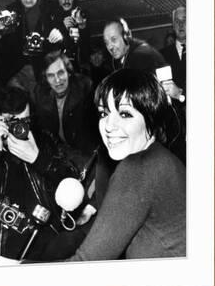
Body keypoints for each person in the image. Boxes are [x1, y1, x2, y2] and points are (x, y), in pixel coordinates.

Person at [0, 86, 90, 263]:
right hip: (3, 250)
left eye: (25, 121)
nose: (21, 128)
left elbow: (73, 185)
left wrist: (38, 158)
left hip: (45, 246)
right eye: (12, 122)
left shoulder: (44, 140)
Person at [68, 68, 186, 261]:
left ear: (151, 117)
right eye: (103, 113)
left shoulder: (138, 168)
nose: (108, 125)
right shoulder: (162, 158)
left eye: (124, 114)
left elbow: (86, 266)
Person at [32, 51, 98, 168]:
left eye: (61, 73)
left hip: (85, 155)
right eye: (51, 76)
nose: (57, 80)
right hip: (58, 155)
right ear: (45, 79)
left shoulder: (85, 88)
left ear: (69, 72)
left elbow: (92, 137)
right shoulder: (40, 93)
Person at [0, 0, 56, 91]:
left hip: (45, 69)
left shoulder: (52, 8)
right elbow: (5, 50)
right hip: (19, 70)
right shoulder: (11, 11)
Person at [49, 0, 92, 73]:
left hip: (76, 69)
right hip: (57, 67)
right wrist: (62, 28)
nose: (66, 0)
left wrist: (82, 26)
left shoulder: (81, 15)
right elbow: (48, 49)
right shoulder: (50, 17)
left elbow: (86, 49)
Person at [159, 6, 187, 101]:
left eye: (185, 19)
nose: (180, 24)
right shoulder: (160, 55)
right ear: (173, 26)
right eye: (177, 21)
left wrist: (180, 94)